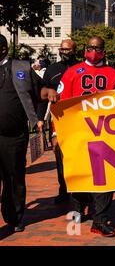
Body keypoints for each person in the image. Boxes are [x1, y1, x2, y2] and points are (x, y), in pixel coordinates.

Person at [56, 36, 115, 237]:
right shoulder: (71, 73)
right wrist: (56, 132)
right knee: (77, 176)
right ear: (85, 49)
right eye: (90, 47)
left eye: (98, 48)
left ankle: (100, 220)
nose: (93, 51)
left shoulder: (113, 74)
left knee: (106, 178)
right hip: (77, 133)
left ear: (104, 50)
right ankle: (75, 215)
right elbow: (61, 105)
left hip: (104, 134)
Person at [0, 34, 53, 233]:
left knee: (13, 178)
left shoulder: (21, 68)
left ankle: (14, 217)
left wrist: (39, 118)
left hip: (13, 136)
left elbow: (41, 93)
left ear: (3, 49)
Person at [38, 39, 79, 204]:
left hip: (80, 121)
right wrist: (40, 118)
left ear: (75, 50)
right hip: (59, 121)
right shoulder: (53, 70)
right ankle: (63, 190)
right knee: (60, 158)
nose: (64, 52)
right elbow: (42, 95)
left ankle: (82, 193)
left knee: (81, 158)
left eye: (68, 50)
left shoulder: (82, 68)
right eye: (62, 49)